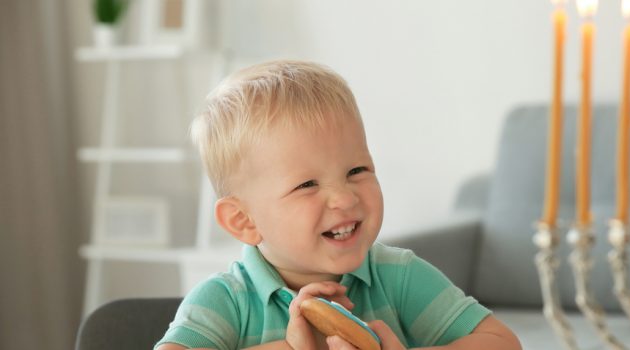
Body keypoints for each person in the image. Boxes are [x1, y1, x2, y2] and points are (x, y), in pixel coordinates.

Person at [155, 60, 521, 350]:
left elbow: (503, 343)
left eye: (356, 170)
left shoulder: (399, 277)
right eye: (307, 184)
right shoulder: (225, 301)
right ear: (243, 220)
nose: (345, 197)